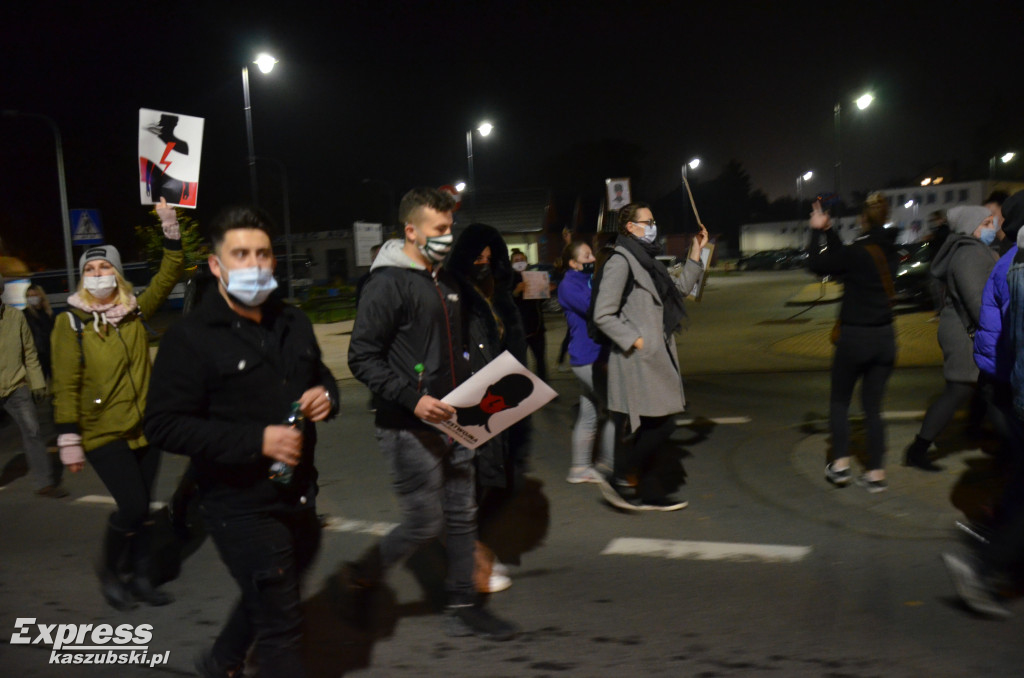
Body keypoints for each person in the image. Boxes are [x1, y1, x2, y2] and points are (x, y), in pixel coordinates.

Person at [144, 205, 338, 678]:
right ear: (216, 265)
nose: (254, 264)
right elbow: (163, 424)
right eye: (241, 254)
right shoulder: (189, 338)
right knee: (283, 624)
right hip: (237, 504)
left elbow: (322, 376)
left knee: (272, 593)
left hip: (298, 494)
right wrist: (258, 439)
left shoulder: (293, 321)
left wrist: (326, 396)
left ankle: (221, 662)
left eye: (263, 253)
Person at [347, 187, 517, 640]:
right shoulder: (386, 284)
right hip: (407, 426)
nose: (447, 237)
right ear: (410, 231)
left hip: (458, 417)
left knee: (463, 515)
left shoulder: (444, 282)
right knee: (426, 521)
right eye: (439, 230)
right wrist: (414, 399)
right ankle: (367, 571)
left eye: (450, 228)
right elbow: (362, 358)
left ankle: (463, 602)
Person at [51, 198, 183, 609]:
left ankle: (141, 576)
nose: (96, 274)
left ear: (117, 272)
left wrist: (170, 228)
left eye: (104, 266)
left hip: (145, 425)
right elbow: (66, 382)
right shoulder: (70, 323)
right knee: (133, 505)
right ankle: (110, 571)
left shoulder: (134, 310)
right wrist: (68, 437)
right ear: (81, 278)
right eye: (89, 269)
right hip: (101, 430)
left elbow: (170, 273)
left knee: (144, 510)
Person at [592, 202, 706, 511]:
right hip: (637, 359)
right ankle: (618, 475)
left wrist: (696, 252)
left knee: (655, 425)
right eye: (648, 221)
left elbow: (679, 289)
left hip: (656, 356)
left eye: (654, 220)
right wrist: (637, 340)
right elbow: (603, 315)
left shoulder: (648, 261)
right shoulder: (621, 261)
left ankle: (651, 492)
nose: (653, 225)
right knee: (663, 425)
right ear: (630, 227)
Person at [446, 222, 530, 594]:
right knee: (474, 484)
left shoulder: (500, 297)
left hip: (503, 399)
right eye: (476, 256)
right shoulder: (453, 296)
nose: (483, 262)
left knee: (497, 482)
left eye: (489, 256)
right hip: (471, 400)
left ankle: (473, 556)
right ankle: (471, 564)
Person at [807, 194, 898, 493]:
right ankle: (876, 474)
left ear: (862, 218)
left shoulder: (857, 252)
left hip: (855, 338)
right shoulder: (889, 250)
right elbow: (844, 260)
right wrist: (831, 231)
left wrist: (816, 229)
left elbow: (819, 264)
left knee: (840, 401)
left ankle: (841, 466)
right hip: (885, 338)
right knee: (873, 408)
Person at [904, 206, 999, 471]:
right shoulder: (969, 254)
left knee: (985, 389)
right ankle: (917, 450)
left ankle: (980, 432)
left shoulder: (975, 249)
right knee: (958, 390)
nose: (993, 226)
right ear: (972, 226)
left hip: (964, 331)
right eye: (988, 222)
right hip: (964, 335)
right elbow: (978, 303)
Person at [556, 239, 615, 483]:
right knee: (615, 412)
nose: (592, 260)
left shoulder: (585, 280)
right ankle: (609, 465)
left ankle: (579, 469)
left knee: (589, 413)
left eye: (592, 255)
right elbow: (596, 309)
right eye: (587, 256)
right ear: (573, 263)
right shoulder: (569, 285)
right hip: (587, 359)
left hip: (591, 357)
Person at [0, 277, 63, 497]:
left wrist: (37, 383)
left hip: (16, 386)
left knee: (33, 432)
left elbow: (29, 352)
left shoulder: (15, 317)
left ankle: (44, 483)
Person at [510, 249, 549, 381]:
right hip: (518, 329)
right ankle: (522, 389)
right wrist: (516, 291)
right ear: (511, 263)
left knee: (540, 360)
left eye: (522, 260)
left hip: (536, 327)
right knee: (520, 362)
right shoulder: (507, 280)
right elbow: (504, 301)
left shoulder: (534, 276)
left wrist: (544, 290)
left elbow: (542, 301)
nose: (520, 263)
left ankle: (545, 388)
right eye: (516, 261)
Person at [23, 284, 54, 380]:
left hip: (51, 354)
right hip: (37, 356)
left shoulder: (48, 314)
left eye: (34, 295)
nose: (31, 298)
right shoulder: (25, 315)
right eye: (29, 296)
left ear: (41, 296)